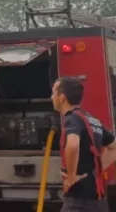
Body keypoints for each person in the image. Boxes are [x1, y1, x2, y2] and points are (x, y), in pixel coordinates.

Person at [51, 76, 116, 211]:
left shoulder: (72, 119)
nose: (51, 97)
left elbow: (73, 144)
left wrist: (71, 177)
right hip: (98, 201)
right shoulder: (91, 119)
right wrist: (97, 168)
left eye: (53, 93)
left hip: (79, 203)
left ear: (62, 98)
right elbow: (114, 146)